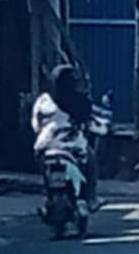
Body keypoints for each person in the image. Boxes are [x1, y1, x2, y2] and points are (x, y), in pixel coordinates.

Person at [32, 63, 98, 211]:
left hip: (44, 146)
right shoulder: (77, 99)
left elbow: (35, 124)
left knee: (44, 168)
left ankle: (48, 196)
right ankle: (90, 198)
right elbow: (88, 120)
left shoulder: (43, 101)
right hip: (72, 145)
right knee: (91, 159)